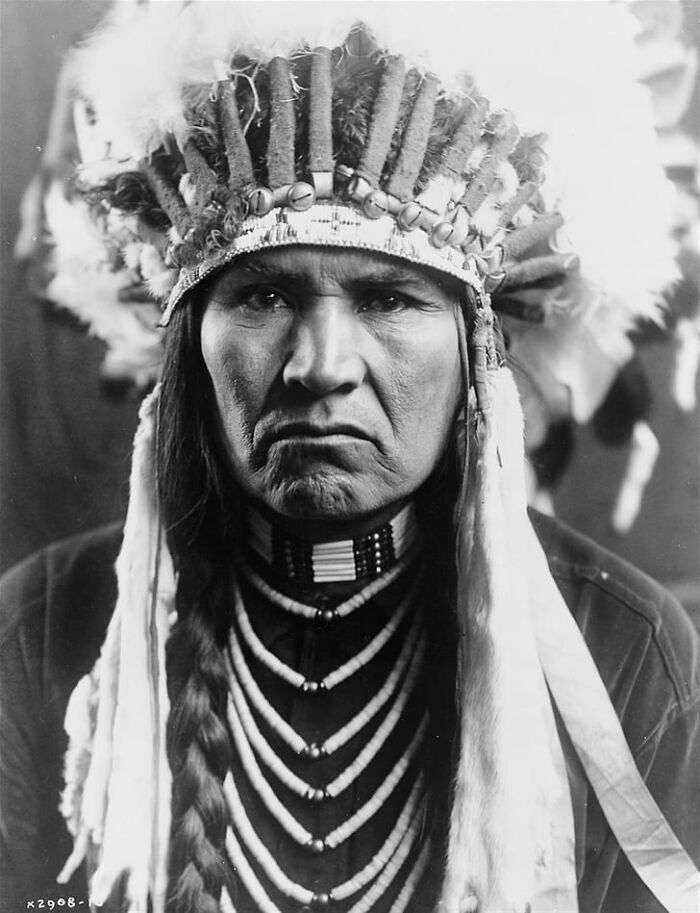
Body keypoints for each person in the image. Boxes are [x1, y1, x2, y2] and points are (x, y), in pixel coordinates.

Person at [1, 5, 698, 913]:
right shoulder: (35, 632)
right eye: (261, 294)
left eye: (386, 299)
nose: (321, 365)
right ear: (186, 351)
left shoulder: (626, 648)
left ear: (477, 354)